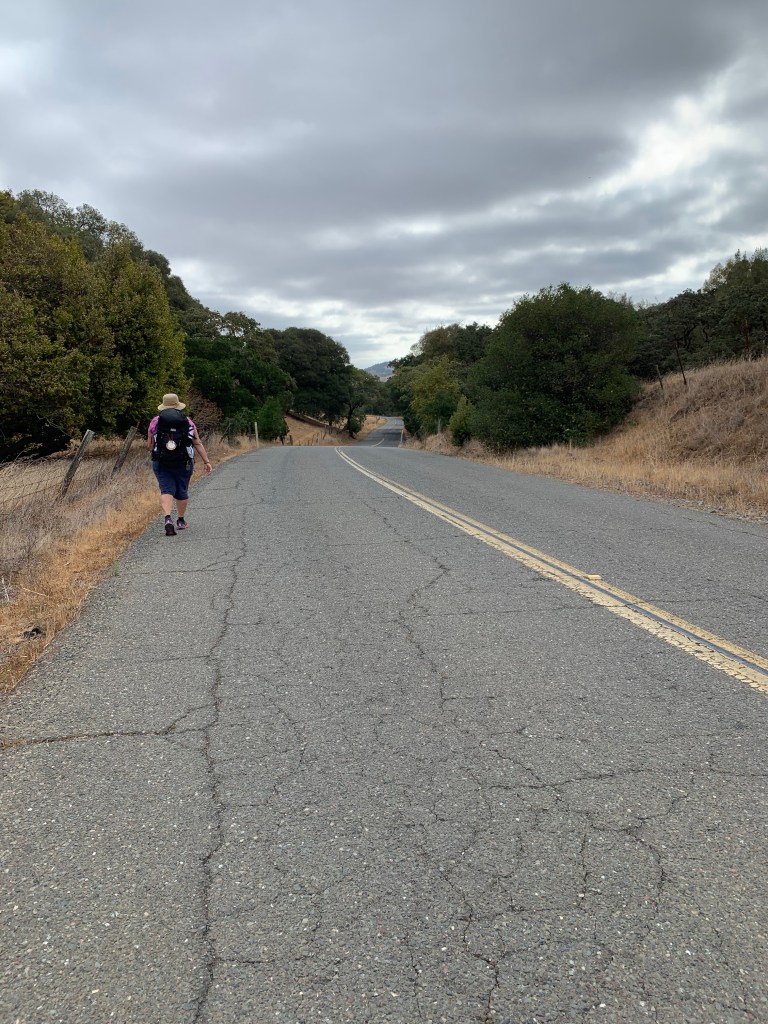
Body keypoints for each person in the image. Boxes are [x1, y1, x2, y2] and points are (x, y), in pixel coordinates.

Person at [147, 394, 212, 536]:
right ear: (178, 405)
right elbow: (197, 442)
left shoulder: (155, 422)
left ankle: (167, 518)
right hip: (184, 462)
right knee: (182, 490)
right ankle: (181, 521)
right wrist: (206, 461)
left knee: (166, 489)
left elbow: (150, 444)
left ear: (163, 406)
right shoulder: (188, 422)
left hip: (161, 461)